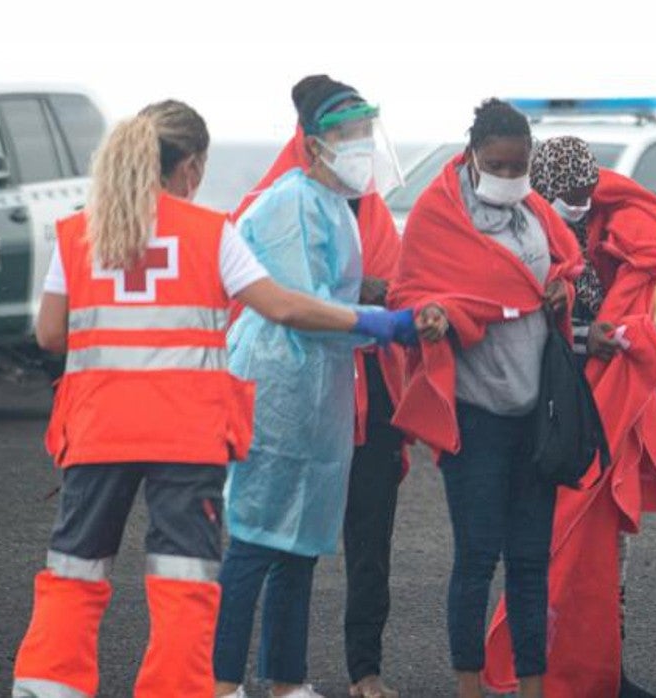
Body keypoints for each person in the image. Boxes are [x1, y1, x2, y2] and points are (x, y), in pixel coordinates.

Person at [12, 100, 415, 698]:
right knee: (181, 584)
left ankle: (48, 688)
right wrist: (378, 322)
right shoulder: (210, 234)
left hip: (96, 431)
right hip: (183, 437)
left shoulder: (78, 232)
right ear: (194, 167)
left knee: (75, 571)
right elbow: (283, 305)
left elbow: (49, 334)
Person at [211, 79, 443, 698]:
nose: (362, 148)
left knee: (301, 541)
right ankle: (222, 681)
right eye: (349, 137)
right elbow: (296, 306)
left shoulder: (338, 208)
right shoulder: (286, 204)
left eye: (368, 135)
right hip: (278, 388)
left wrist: (397, 316)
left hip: (321, 395)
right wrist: (379, 323)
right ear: (314, 145)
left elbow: (345, 296)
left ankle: (286, 680)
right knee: (257, 536)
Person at [388, 98, 583, 698]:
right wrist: (438, 316)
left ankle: (532, 685)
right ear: (472, 157)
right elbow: (408, 293)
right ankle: (469, 685)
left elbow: (565, 269)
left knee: (530, 561)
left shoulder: (536, 215)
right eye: (497, 164)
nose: (509, 175)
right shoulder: (436, 216)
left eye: (518, 165)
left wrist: (558, 297)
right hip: (475, 415)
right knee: (476, 557)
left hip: (536, 413)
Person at [482, 136, 656, 698]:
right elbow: (519, 326)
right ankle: (540, 668)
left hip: (600, 406)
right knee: (551, 538)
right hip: (546, 406)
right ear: (544, 188)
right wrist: (591, 337)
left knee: (606, 543)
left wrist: (615, 334)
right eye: (568, 193)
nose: (580, 201)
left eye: (587, 190)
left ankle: (605, 668)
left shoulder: (601, 231)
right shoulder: (524, 240)